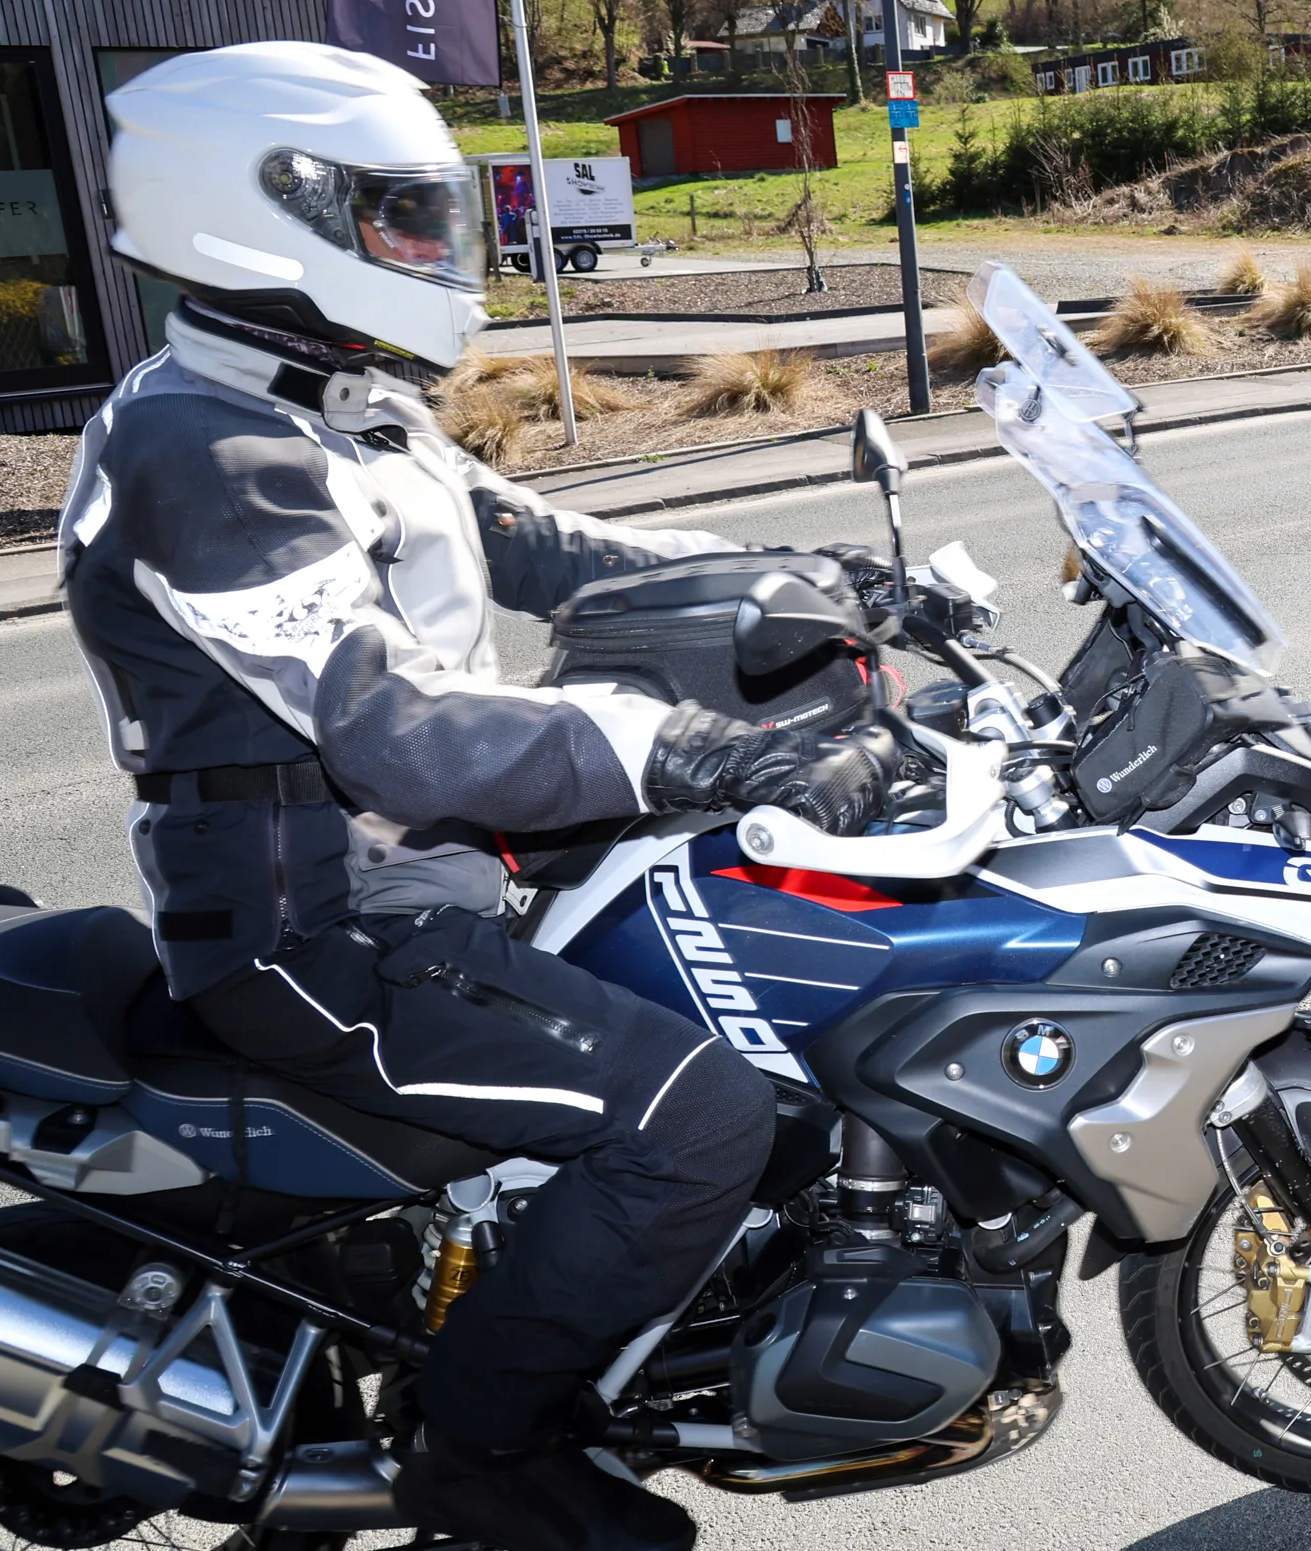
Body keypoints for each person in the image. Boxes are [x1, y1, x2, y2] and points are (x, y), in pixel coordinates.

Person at [60, 42, 887, 1551]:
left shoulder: (332, 401)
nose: (435, 252)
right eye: (399, 218)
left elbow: (544, 542)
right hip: (316, 931)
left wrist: (804, 577)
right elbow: (396, 728)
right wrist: (691, 748)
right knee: (692, 1116)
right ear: (263, 210)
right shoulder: (210, 449)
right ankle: (482, 1450)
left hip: (423, 886)